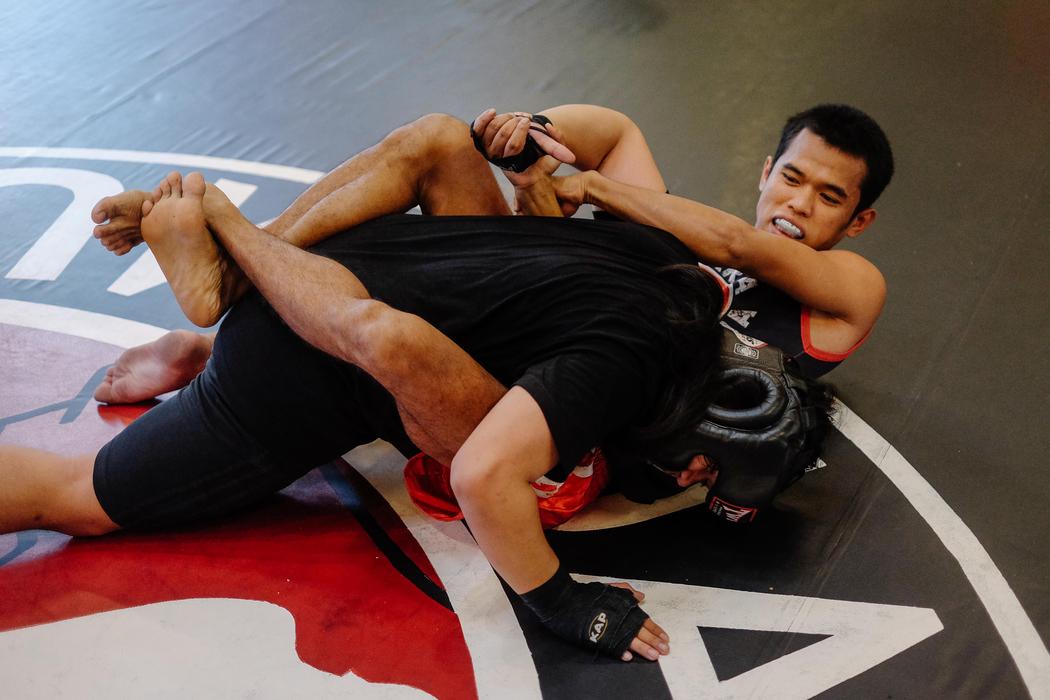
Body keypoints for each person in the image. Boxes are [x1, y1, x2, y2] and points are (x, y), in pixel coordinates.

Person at [2, 114, 730, 662]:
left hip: (361, 258)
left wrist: (533, 149)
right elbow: (389, 349)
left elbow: (622, 141)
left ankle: (230, 293)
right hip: (307, 353)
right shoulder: (627, 353)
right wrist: (558, 599)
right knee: (75, 496)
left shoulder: (673, 247)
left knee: (440, 140)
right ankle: (236, 280)